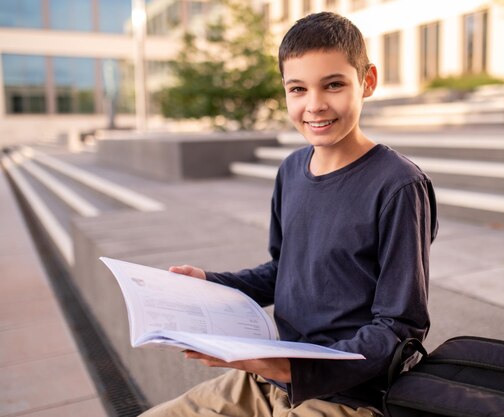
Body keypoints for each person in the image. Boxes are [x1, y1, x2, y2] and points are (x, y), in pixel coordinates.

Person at [140, 11, 438, 417]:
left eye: (333, 85)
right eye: (297, 89)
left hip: (348, 396)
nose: (314, 105)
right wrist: (210, 283)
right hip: (266, 378)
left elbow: (399, 328)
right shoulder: (291, 171)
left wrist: (289, 368)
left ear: (367, 81)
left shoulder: (399, 186)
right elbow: (283, 271)